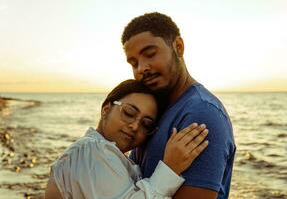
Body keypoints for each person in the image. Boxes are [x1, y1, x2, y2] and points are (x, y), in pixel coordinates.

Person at [121, 12, 236, 199]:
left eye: (150, 54)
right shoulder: (152, 113)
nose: (142, 68)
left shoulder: (202, 114)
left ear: (178, 47)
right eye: (134, 63)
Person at [45, 79, 209, 199]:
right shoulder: (91, 150)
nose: (135, 126)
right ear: (106, 109)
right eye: (129, 113)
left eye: (146, 124)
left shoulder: (105, 155)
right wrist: (170, 168)